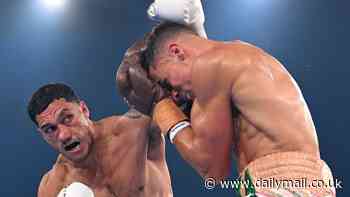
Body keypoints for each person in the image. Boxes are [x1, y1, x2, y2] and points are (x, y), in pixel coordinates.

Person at [116, 22, 336, 196]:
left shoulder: (210, 64)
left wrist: (160, 106)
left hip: (282, 183)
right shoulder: (240, 56)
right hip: (309, 181)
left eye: (165, 82)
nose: (173, 94)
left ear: (177, 52)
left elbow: (212, 170)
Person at [27, 83, 172, 197]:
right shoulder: (53, 186)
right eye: (50, 129)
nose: (63, 135)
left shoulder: (134, 131)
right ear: (42, 135)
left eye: (67, 118)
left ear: (84, 110)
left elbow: (171, 98)